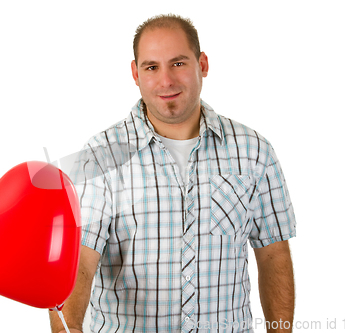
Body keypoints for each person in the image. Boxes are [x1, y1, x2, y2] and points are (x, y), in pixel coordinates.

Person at [49, 14, 296, 333]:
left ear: (202, 64)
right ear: (136, 74)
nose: (166, 81)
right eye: (152, 67)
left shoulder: (254, 151)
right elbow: (77, 262)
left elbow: (274, 253)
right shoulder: (100, 155)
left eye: (178, 63)